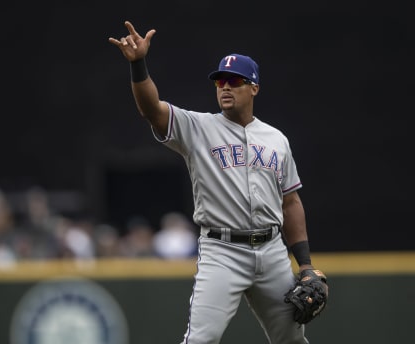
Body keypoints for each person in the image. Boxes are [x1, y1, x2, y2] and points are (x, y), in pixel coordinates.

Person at [109, 21, 327, 344]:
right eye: (220, 81)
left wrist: (306, 265)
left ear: (254, 88)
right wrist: (138, 64)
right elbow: (151, 110)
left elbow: (291, 202)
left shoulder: (277, 140)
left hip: (271, 252)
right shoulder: (198, 128)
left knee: (293, 341)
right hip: (222, 251)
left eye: (235, 81)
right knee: (199, 341)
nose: (224, 86)